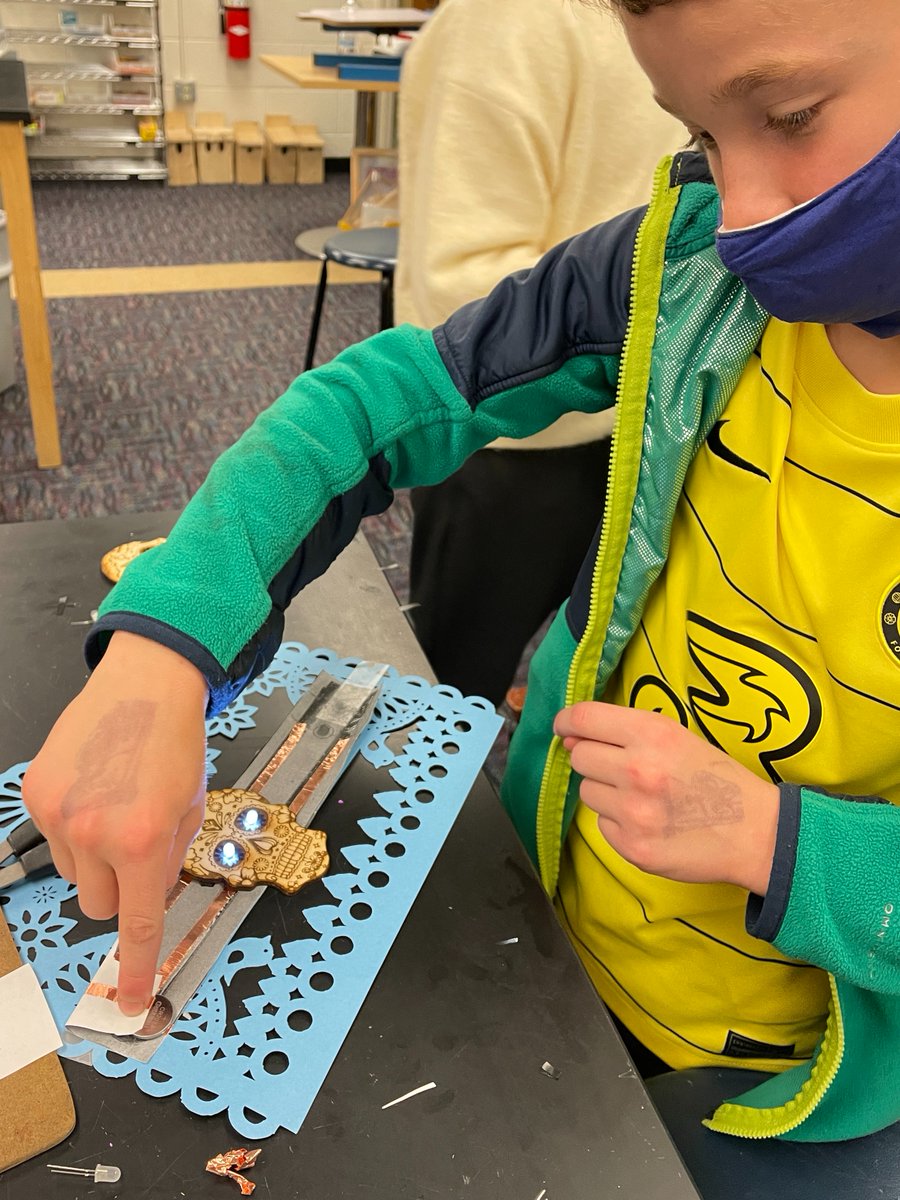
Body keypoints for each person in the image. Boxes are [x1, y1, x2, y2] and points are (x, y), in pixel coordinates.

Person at [21, 0, 900, 1143]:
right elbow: (372, 402)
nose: (735, 214)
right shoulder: (681, 269)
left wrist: (783, 844)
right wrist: (161, 648)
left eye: (790, 115)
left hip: (778, 1072)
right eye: (698, 137)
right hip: (553, 917)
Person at [396, 0, 681, 704]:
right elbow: (463, 281)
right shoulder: (506, 20)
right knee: (447, 696)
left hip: (655, 419)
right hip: (514, 442)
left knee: (620, 685)